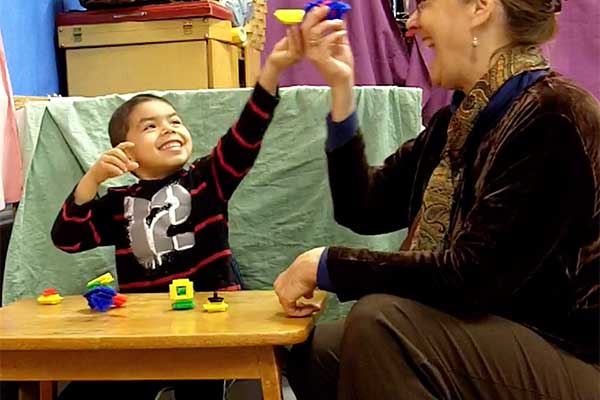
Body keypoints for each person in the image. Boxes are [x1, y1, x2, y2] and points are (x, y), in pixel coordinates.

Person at [274, 2, 600, 399]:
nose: (411, 23)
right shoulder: (460, 121)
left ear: (480, 8)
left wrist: (327, 265)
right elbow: (362, 206)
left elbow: (473, 277)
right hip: (501, 336)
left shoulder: (555, 114)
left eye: (424, 4)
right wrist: (341, 89)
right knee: (320, 351)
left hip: (574, 357)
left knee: (382, 324)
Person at [50, 28, 303, 400]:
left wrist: (271, 72)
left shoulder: (207, 180)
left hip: (209, 328)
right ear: (125, 150)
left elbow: (246, 136)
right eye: (150, 126)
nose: (168, 128)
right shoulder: (118, 203)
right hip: (143, 334)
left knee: (199, 384)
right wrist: (92, 179)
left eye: (174, 121)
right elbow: (67, 238)